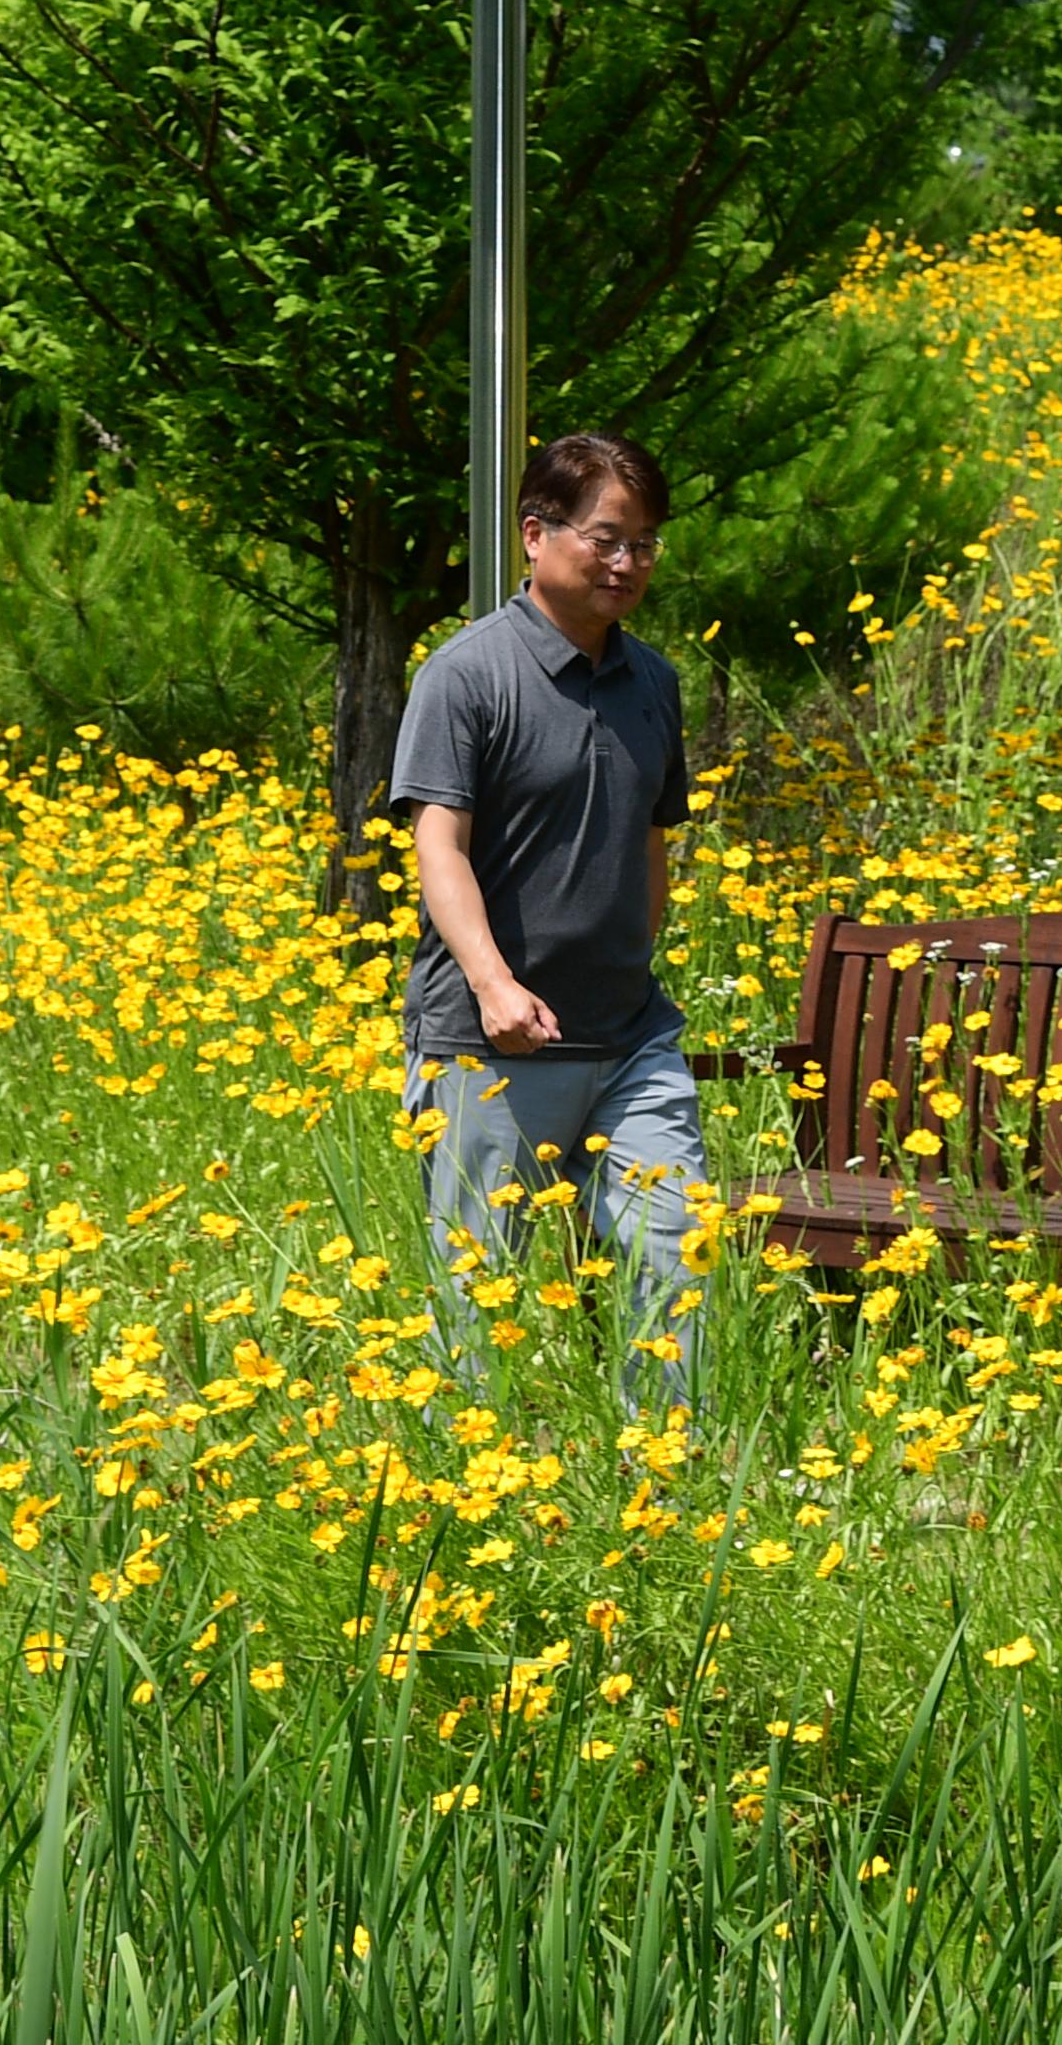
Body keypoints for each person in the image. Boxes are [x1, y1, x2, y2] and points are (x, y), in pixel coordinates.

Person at [392, 431, 706, 1418]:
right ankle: (461, 1496)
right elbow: (438, 845)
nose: (627, 563)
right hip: (489, 1045)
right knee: (479, 1296)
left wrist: (631, 961)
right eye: (607, 538)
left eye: (646, 544)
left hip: (631, 1038)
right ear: (536, 533)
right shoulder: (468, 674)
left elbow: (655, 839)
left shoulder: (654, 681)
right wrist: (493, 983)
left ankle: (663, 1474)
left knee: (673, 1246)